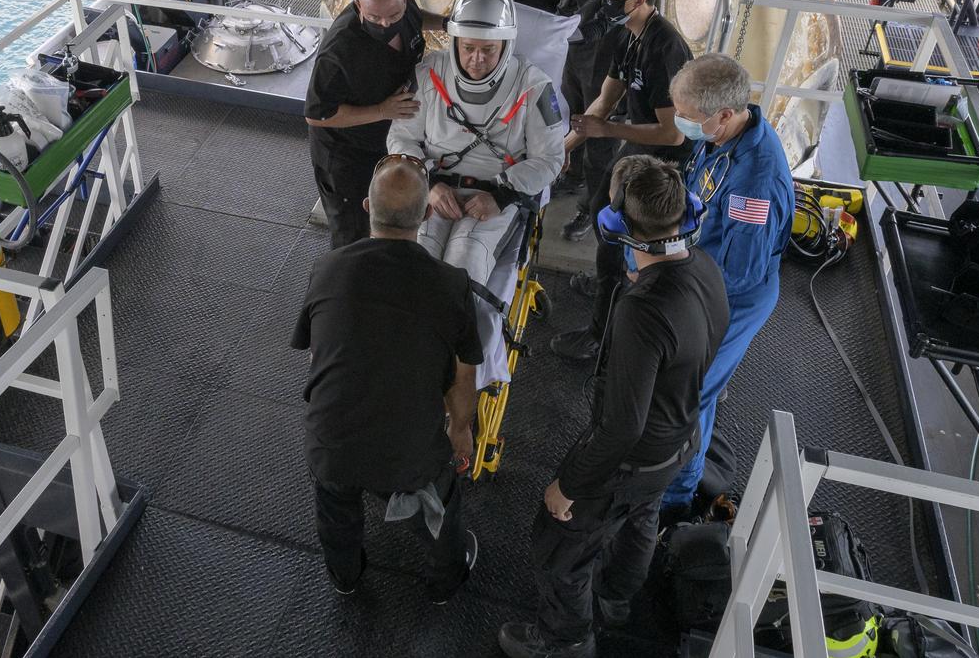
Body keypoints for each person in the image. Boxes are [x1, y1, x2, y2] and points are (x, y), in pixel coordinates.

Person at [497, 156, 729, 658]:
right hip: (681, 440)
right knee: (641, 518)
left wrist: (569, 486)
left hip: (633, 457)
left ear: (617, 224)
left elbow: (622, 426)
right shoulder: (706, 268)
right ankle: (618, 597)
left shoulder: (642, 312)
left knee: (558, 546)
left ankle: (566, 640)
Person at [291, 154, 481, 602]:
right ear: (428, 212)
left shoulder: (328, 269)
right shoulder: (452, 284)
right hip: (409, 450)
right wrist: (460, 430)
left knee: (335, 506)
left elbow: (317, 352)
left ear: (365, 206)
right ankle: (444, 580)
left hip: (331, 441)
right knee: (442, 506)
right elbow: (464, 372)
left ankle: (345, 576)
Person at [658, 53, 794, 516]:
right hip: (704, 267)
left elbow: (739, 271)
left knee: (690, 395)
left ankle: (676, 499)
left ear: (724, 115)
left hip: (733, 296)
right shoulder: (726, 136)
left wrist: (669, 263)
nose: (682, 124)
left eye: (690, 118)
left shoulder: (755, 181)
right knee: (698, 388)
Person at [551, 0, 693, 362]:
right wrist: (562, 149)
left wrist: (608, 130)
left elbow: (671, 132)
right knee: (601, 211)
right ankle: (607, 277)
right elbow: (605, 99)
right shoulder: (626, 35)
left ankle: (601, 334)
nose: (605, 4)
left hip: (665, 156)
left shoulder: (664, 47)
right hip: (638, 141)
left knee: (619, 226)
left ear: (640, 0)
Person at [387, 0, 564, 290]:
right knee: (417, 259)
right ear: (454, 43)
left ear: (506, 46)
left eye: (488, 50)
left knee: (465, 261)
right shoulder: (427, 75)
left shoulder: (533, 87)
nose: (477, 59)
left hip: (496, 196)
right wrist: (428, 184)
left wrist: (501, 195)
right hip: (435, 187)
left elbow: (550, 158)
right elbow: (401, 140)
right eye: (468, 48)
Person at [304, 0, 438, 248]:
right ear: (358, 6)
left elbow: (416, 19)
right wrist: (382, 111)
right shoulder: (339, 51)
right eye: (374, 17)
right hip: (346, 155)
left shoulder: (405, 7)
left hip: (384, 140)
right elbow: (317, 115)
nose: (386, 25)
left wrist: (449, 24)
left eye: (394, 15)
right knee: (353, 231)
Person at [558, 0, 633, 241]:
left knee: (597, 137)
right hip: (574, 60)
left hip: (605, 66)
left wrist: (576, 32)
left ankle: (591, 208)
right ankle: (572, 178)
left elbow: (609, 18)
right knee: (570, 118)